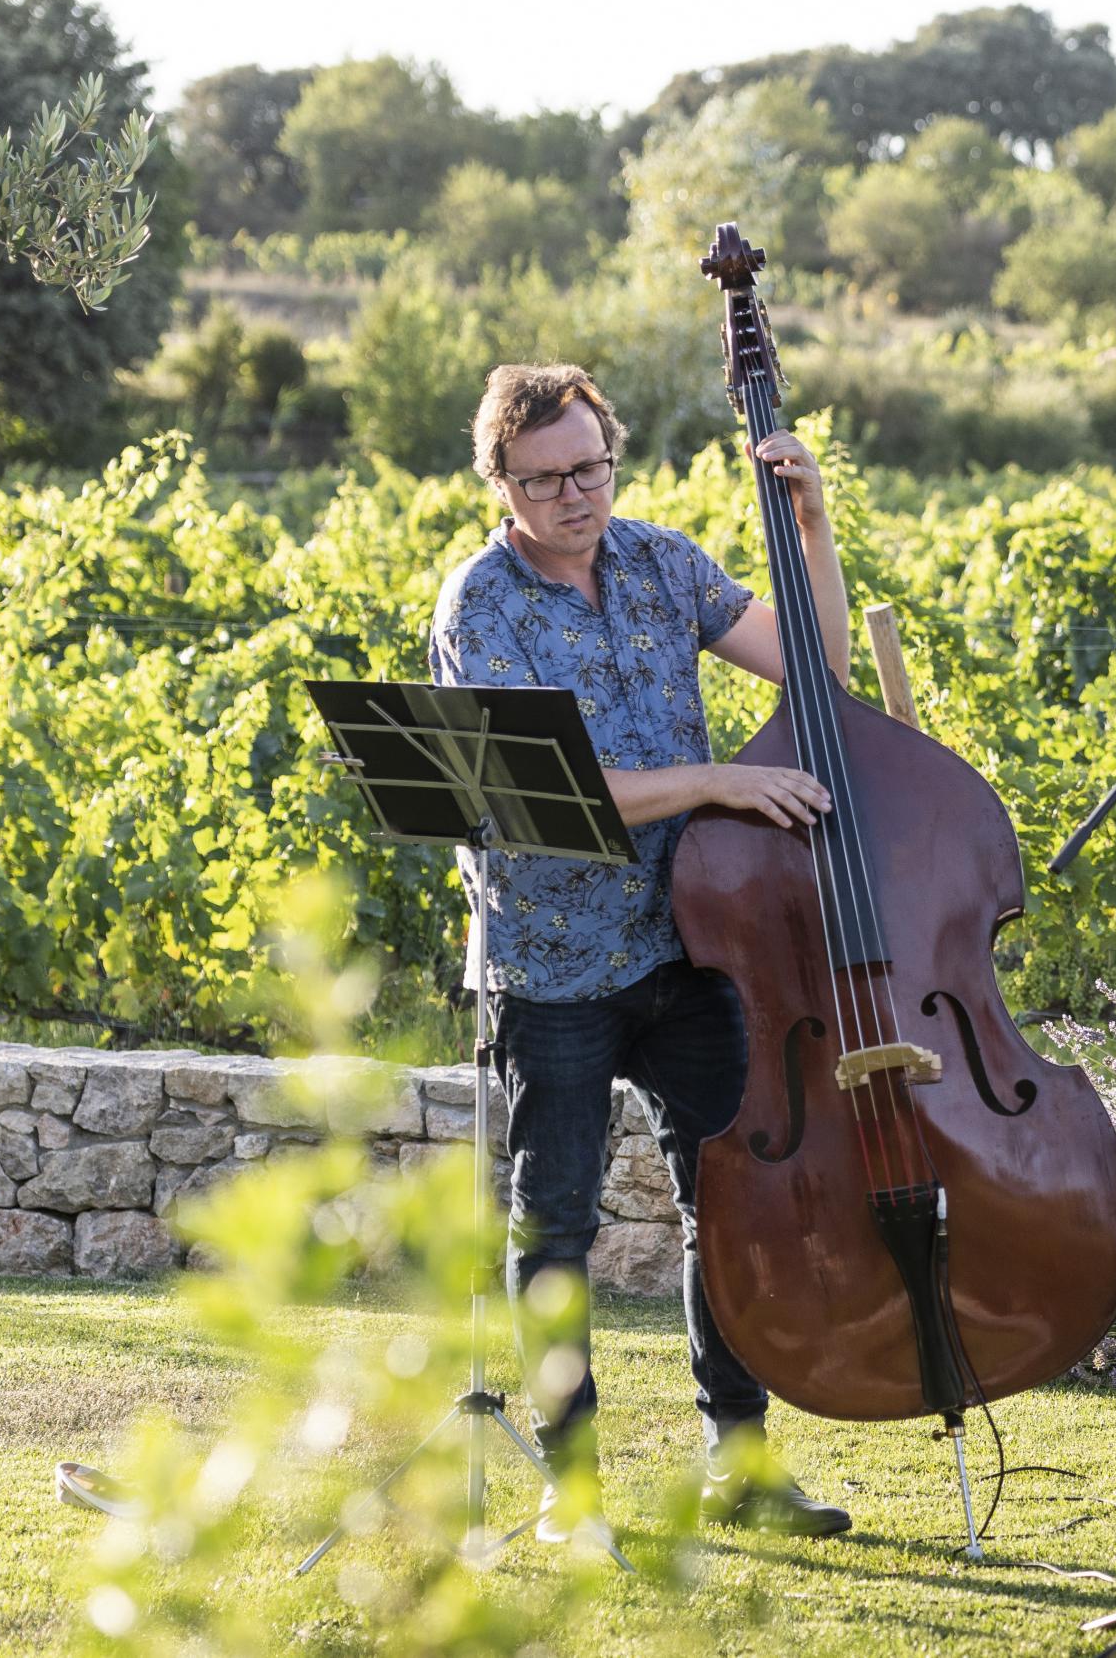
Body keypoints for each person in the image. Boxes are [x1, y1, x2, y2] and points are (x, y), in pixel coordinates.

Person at [428, 363, 852, 1544]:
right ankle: (573, 1492)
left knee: (728, 1197)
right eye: (546, 478)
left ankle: (741, 1458)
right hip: (551, 960)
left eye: (591, 466)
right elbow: (542, 801)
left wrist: (812, 529)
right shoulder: (482, 604)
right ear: (501, 484)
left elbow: (815, 666)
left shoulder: (665, 561)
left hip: (689, 944)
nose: (575, 494)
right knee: (555, 1222)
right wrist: (721, 779)